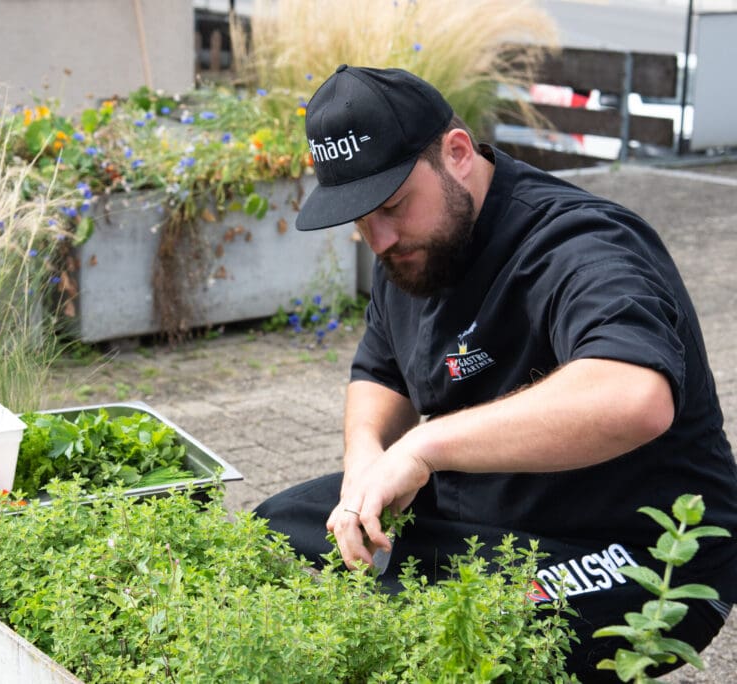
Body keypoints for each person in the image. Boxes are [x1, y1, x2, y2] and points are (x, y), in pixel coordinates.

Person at [253, 64, 737, 680]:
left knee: (449, 636)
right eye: (359, 219)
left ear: (456, 153)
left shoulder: (579, 243)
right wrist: (363, 472)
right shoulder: (410, 245)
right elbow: (381, 372)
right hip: (490, 514)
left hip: (636, 547)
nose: (377, 238)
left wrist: (424, 447)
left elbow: (636, 397)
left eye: (393, 206)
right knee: (276, 533)